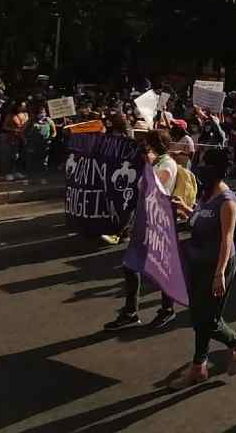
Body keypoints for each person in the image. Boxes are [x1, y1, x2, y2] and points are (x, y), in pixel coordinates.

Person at [168, 147, 236, 389]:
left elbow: (227, 239)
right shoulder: (207, 194)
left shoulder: (227, 201)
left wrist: (219, 274)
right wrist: (185, 209)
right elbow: (200, 218)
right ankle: (199, 367)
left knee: (209, 320)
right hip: (197, 262)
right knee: (198, 316)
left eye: (205, 164)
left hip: (217, 265)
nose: (200, 167)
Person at [104, 131, 179, 331]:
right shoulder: (154, 163)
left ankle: (167, 310)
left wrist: (149, 164)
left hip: (159, 223)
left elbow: (152, 187)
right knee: (130, 267)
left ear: (156, 145)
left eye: (147, 144)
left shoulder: (167, 164)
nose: (144, 147)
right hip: (144, 221)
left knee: (162, 269)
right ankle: (131, 312)